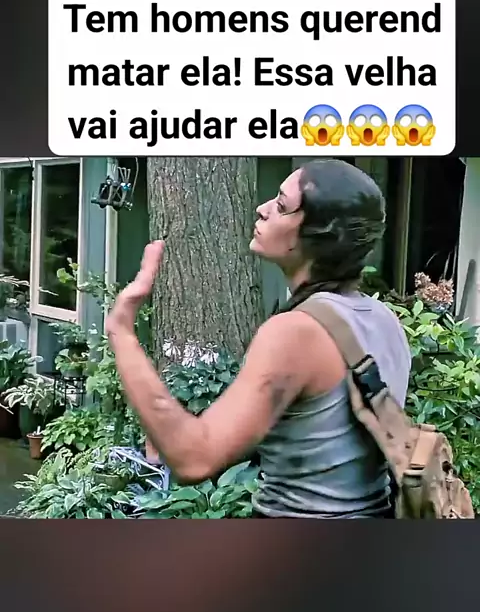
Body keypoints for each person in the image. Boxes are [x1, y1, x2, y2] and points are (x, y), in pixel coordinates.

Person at [106, 159, 411, 518]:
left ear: (320, 234)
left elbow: (194, 458)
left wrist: (122, 333)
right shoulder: (385, 321)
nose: (262, 209)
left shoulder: (296, 333)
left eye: (281, 205)